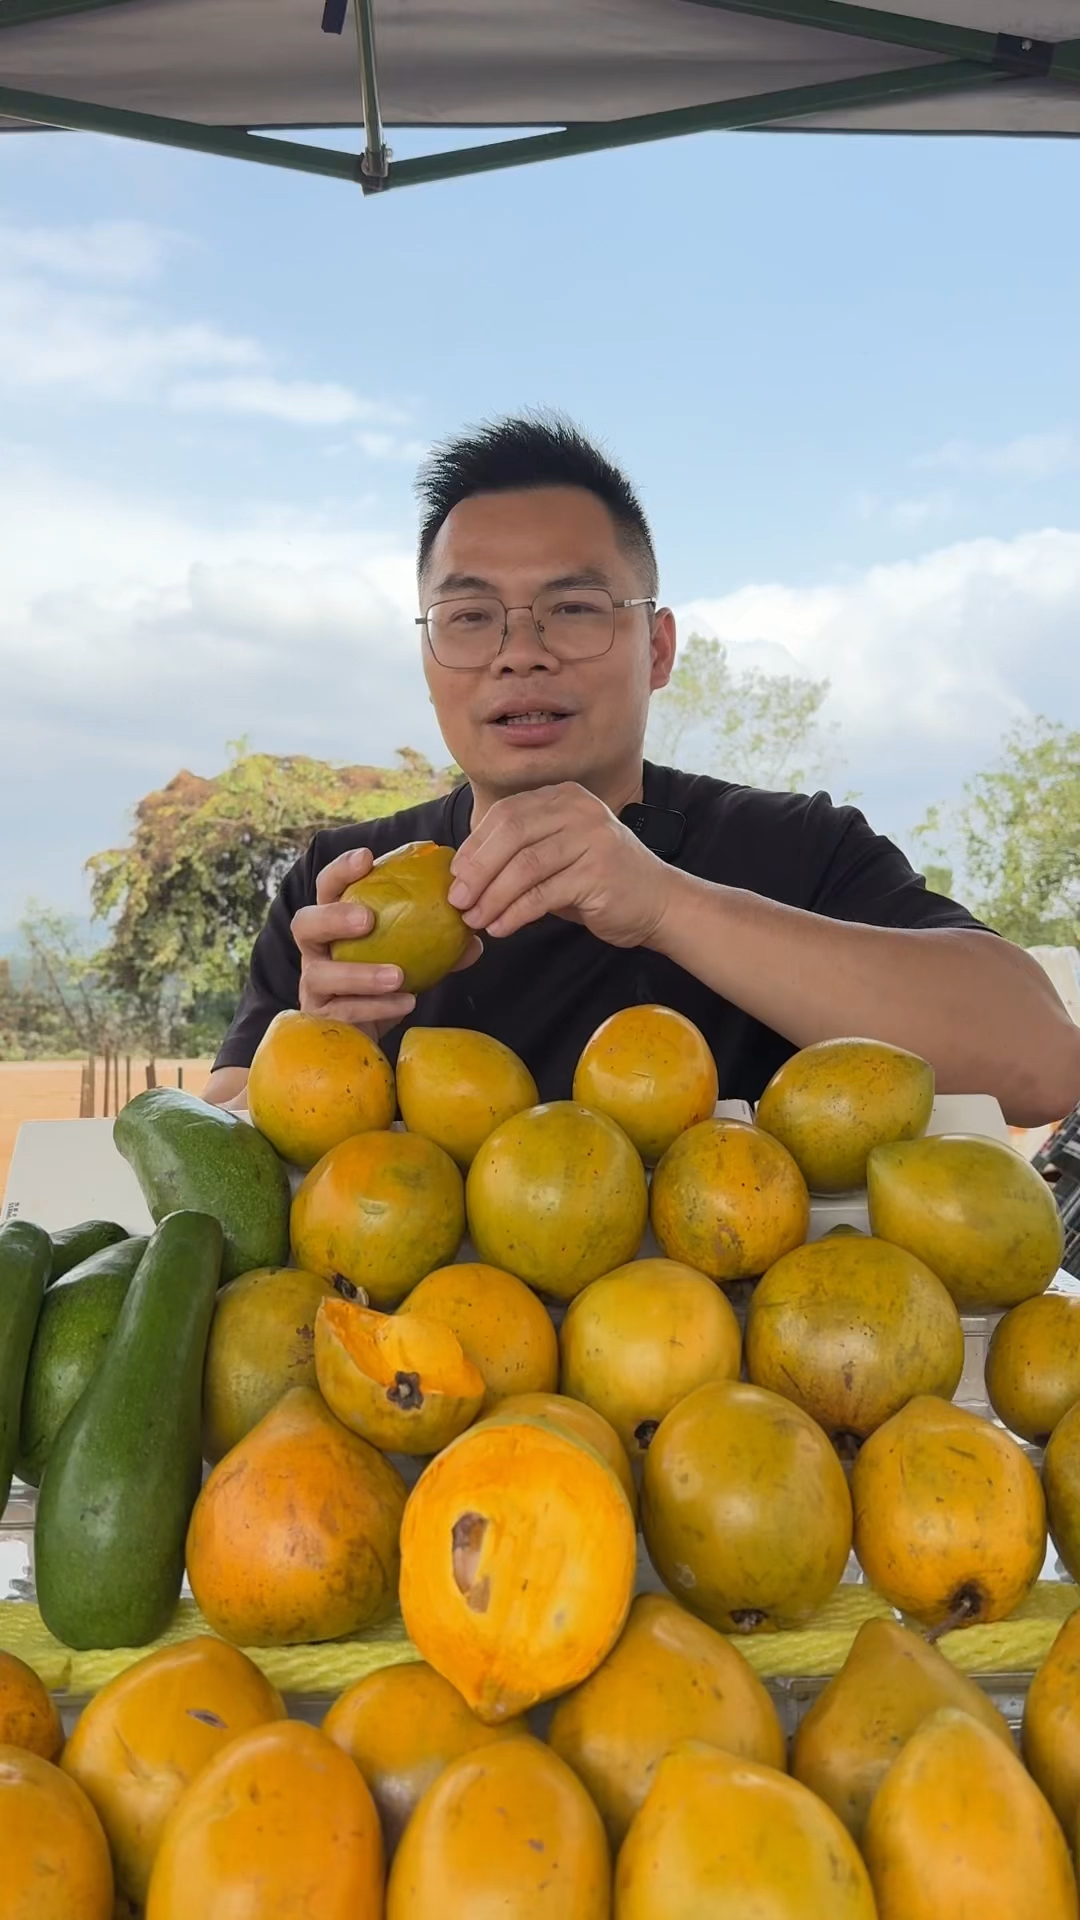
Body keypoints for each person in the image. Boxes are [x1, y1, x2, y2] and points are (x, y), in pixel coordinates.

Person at [203, 415, 1080, 1127]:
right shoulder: (340, 889)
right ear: (429, 656)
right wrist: (312, 1044)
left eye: (573, 609)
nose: (520, 654)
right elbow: (209, 1148)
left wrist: (667, 904)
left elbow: (1043, 1063)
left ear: (656, 649)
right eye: (469, 617)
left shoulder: (797, 848)